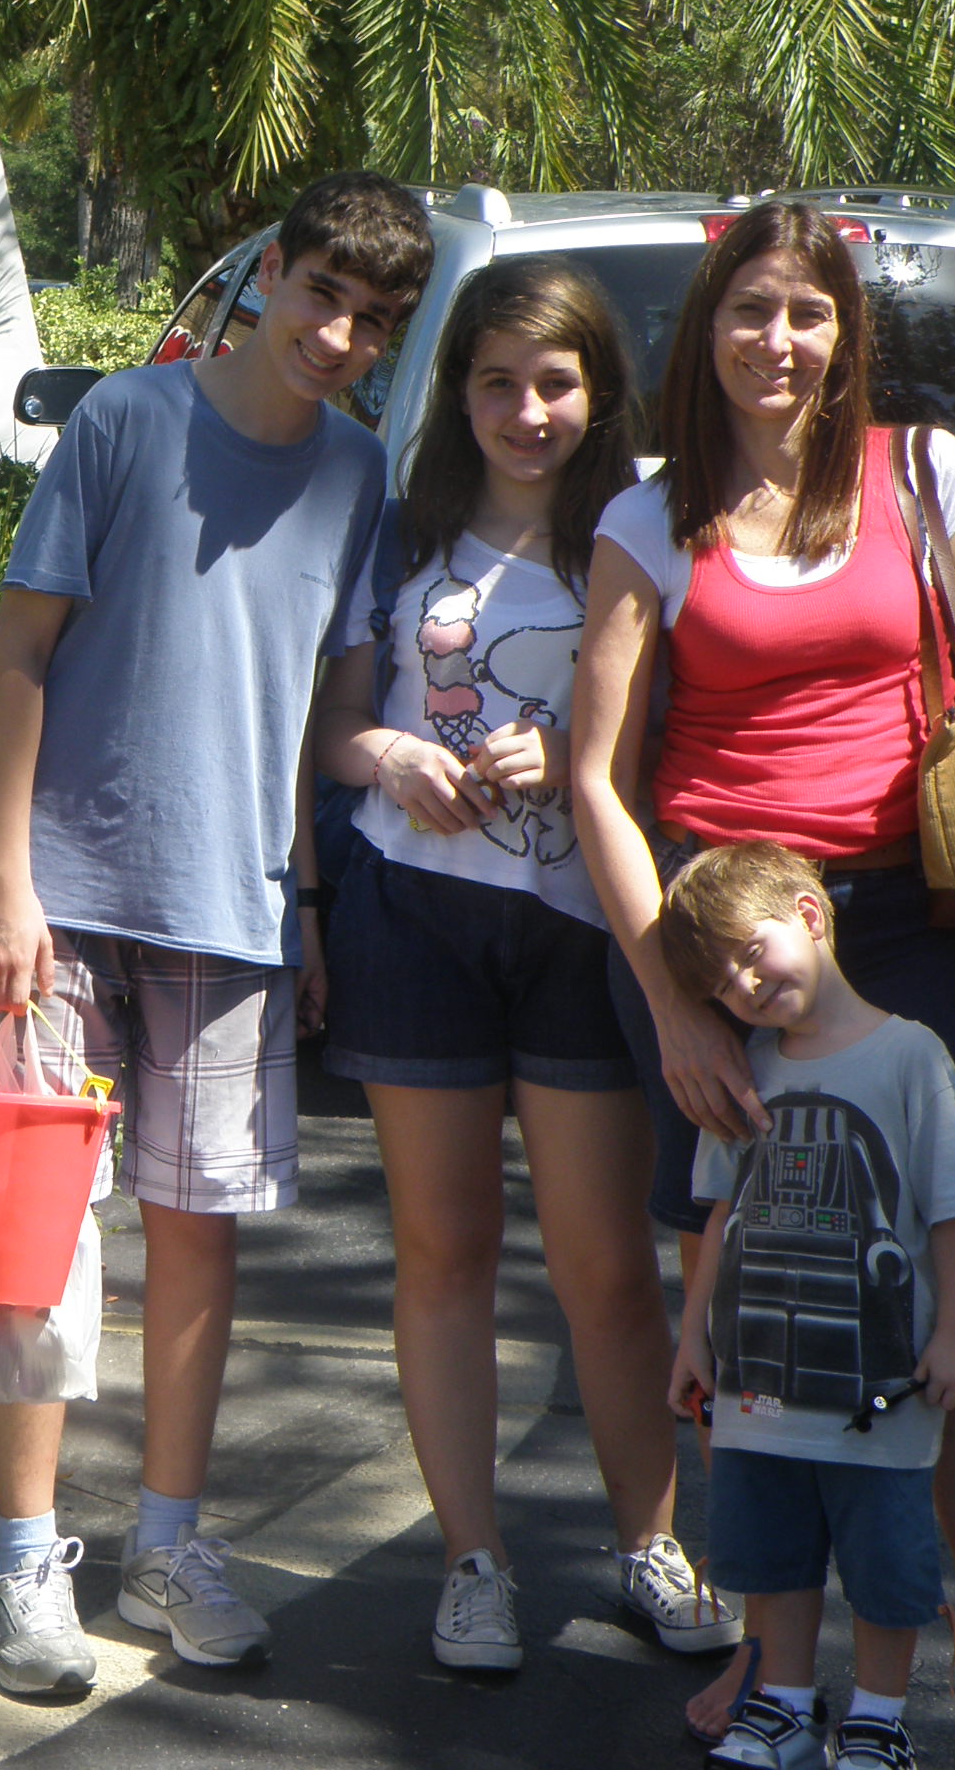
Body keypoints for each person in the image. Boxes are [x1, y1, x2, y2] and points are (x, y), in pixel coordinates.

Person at [570, 199, 955, 1770]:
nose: (779, 341)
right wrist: (676, 1002)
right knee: (747, 1307)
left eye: (807, 312)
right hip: (729, 947)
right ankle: (775, 1654)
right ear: (708, 330)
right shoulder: (649, 518)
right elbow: (599, 780)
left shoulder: (924, 474)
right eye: (751, 309)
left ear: (845, 332)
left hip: (912, 931)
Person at [0, 172, 433, 1695]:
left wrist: (306, 903)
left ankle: (167, 1545)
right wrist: (5, 880)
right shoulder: (125, 420)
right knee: (34, 1238)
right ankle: (25, 1560)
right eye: (323, 295)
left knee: (196, 1239)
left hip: (235, 912)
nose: (338, 335)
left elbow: (314, 709)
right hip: (64, 906)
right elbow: (20, 654)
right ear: (269, 276)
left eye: (373, 319)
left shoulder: (357, 472)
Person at [311, 257, 740, 1673]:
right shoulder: (400, 529)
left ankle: (650, 1544)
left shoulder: (645, 525)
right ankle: (472, 1564)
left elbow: (684, 728)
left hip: (584, 931)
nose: (526, 412)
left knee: (603, 1266)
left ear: (600, 393)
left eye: (555, 383)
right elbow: (338, 724)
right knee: (443, 1253)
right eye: (496, 382)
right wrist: (392, 757)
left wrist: (571, 755)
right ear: (459, 394)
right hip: (413, 918)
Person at [660, 841, 955, 1770]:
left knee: (887, 1558)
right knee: (771, 1550)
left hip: (877, 1384)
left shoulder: (910, 1055)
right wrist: (694, 1335)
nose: (743, 987)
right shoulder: (747, 1068)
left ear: (809, 916)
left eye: (748, 954)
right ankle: (783, 1704)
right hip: (759, 1380)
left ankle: (879, 1717)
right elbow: (721, 1213)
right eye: (721, 985)